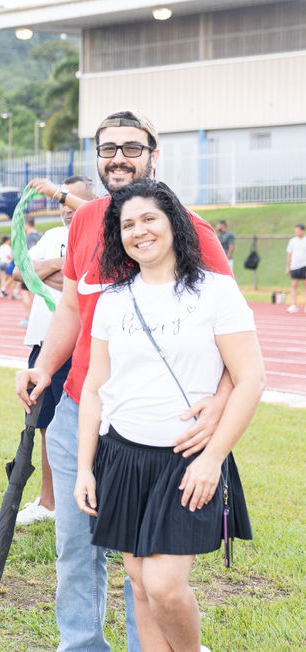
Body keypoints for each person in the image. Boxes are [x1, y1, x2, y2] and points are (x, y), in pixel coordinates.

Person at [15, 111, 234, 651]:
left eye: (131, 147)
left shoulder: (188, 229)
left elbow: (235, 332)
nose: (119, 157)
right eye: (108, 148)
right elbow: (70, 306)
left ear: (154, 155)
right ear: (96, 157)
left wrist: (220, 402)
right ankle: (81, 645)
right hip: (79, 407)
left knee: (147, 566)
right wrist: (44, 366)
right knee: (76, 545)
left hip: (154, 425)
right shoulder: (86, 220)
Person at [75, 179, 263, 651]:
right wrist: (83, 468)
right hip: (122, 456)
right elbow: (96, 388)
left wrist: (212, 458)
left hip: (187, 458)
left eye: (149, 219)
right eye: (127, 224)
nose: (139, 231)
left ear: (173, 224)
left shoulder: (215, 291)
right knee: (139, 583)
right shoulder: (113, 302)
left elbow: (251, 379)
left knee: (163, 584)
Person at [13, 176, 94, 525]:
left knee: (92, 424)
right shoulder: (52, 238)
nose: (65, 206)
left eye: (73, 199)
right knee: (43, 423)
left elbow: (89, 279)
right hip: (46, 342)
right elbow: (21, 272)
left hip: (84, 344)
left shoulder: (98, 230)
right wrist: (63, 266)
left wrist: (50, 273)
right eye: (62, 199)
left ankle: (90, 498)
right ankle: (48, 503)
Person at [285, 223, 306, 313]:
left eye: (298, 231)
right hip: (294, 266)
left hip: (304, 265)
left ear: (302, 230)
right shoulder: (292, 241)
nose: (296, 232)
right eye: (295, 231)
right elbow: (289, 254)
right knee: (294, 285)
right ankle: (293, 305)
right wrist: (288, 267)